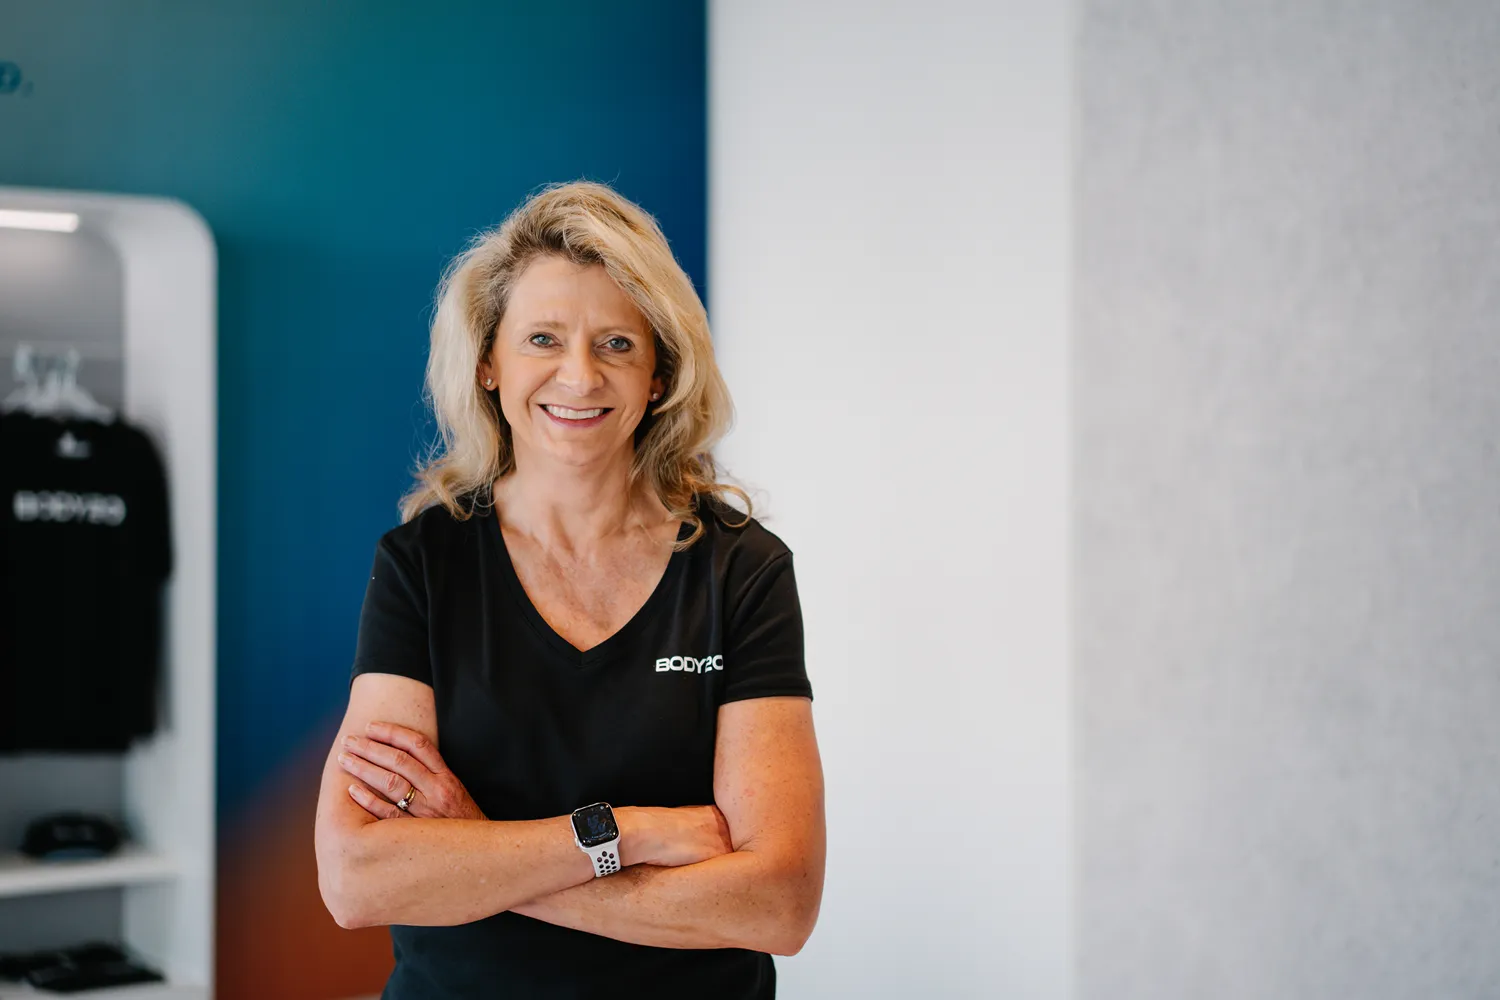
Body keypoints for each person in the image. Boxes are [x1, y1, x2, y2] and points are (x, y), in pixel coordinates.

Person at [313, 180, 826, 998]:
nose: (580, 376)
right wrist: (626, 834)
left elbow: (779, 904)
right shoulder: (423, 564)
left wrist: (478, 854)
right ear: (489, 363)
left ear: (659, 373)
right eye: (543, 339)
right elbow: (357, 879)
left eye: (617, 344)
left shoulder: (741, 568)